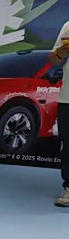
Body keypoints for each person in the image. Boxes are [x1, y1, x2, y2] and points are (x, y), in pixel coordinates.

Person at [48, 21, 69, 207]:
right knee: (68, 145)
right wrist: (61, 52)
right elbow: (54, 60)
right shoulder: (68, 26)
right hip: (68, 97)